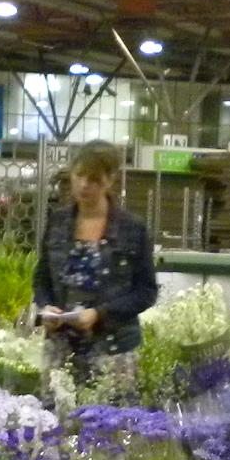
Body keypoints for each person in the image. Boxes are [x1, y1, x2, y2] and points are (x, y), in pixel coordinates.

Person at [32, 143, 157, 386]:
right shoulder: (57, 221)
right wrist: (46, 308)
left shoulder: (132, 228)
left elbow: (146, 292)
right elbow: (42, 278)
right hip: (60, 351)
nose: (83, 185)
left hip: (114, 352)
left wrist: (99, 314)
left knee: (111, 420)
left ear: (109, 181)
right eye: (79, 175)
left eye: (93, 179)